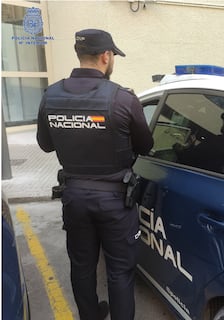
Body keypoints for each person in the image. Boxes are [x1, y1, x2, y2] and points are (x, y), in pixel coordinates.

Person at [36, 29, 154, 320]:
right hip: (115, 199)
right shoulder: (123, 99)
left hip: (74, 198)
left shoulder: (50, 95)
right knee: (120, 271)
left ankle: (90, 315)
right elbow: (146, 146)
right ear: (106, 56)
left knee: (82, 265)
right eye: (112, 55)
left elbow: (45, 145)